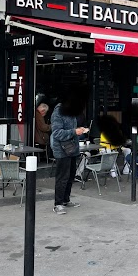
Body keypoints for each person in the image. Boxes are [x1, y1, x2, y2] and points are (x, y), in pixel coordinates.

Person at [50, 85, 88, 214]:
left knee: (71, 175)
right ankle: (58, 203)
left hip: (72, 149)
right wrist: (74, 131)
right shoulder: (58, 112)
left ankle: (66, 199)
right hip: (61, 150)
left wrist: (79, 130)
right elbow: (56, 133)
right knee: (62, 177)